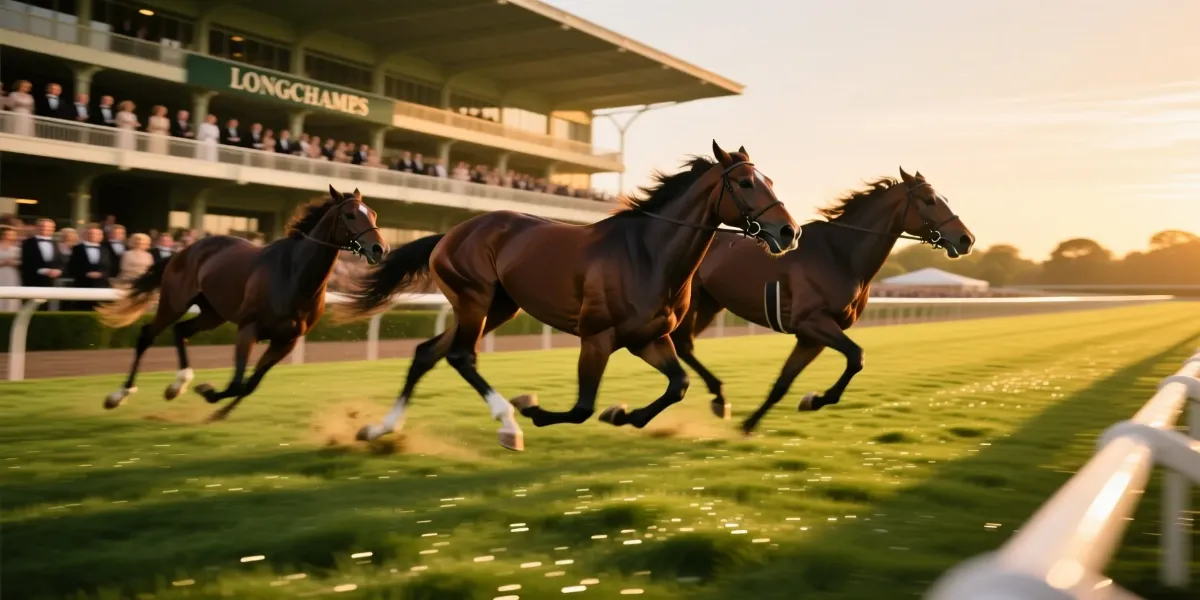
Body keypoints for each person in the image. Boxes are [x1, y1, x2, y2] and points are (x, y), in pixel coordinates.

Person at [66, 225, 113, 310]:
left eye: (97, 234)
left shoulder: (106, 249)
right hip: (82, 284)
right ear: (85, 235)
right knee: (81, 308)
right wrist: (86, 274)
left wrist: (101, 274)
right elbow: (72, 266)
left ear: (101, 236)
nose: (93, 236)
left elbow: (109, 266)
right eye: (91, 234)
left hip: (101, 285)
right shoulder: (77, 249)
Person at [0, 226, 20, 312]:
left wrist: (14, 262)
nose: (9, 236)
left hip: (12, 273)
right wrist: (3, 263)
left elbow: (22, 262)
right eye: (7, 234)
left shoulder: (17, 248)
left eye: (12, 235)